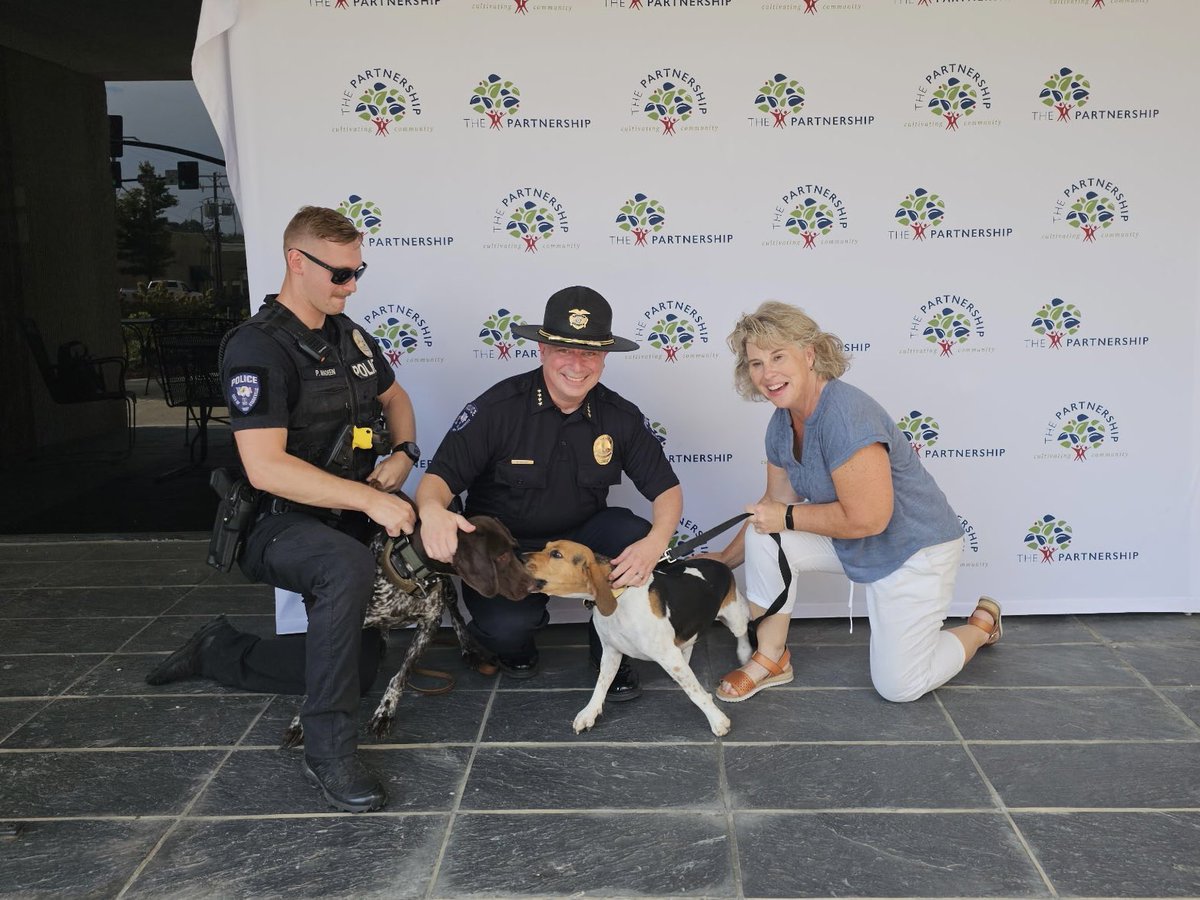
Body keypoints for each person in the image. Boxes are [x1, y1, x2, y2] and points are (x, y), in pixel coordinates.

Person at [145, 206, 418, 813]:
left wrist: (404, 453)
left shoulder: (351, 336)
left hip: (346, 514)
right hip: (275, 522)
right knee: (344, 568)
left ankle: (220, 652)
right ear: (298, 262)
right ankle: (328, 750)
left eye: (358, 272)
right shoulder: (256, 348)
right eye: (341, 275)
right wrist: (372, 500)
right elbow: (266, 467)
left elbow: (395, 397)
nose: (352, 286)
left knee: (362, 664)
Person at [708, 301, 1001, 704]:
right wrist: (723, 560)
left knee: (899, 687)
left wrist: (785, 516)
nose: (767, 373)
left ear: (809, 355)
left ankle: (980, 627)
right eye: (756, 363)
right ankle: (771, 658)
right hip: (856, 538)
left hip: (912, 549)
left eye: (778, 357)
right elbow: (773, 504)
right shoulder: (781, 423)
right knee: (765, 531)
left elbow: (869, 519)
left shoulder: (846, 415)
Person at [415, 285, 683, 698]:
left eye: (590, 353)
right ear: (541, 350)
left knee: (630, 533)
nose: (577, 365)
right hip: (508, 547)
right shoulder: (497, 409)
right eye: (565, 351)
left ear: (604, 359)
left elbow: (666, 490)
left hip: (580, 541)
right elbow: (438, 479)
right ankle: (516, 644)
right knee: (505, 628)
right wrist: (431, 510)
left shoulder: (619, 415)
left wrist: (657, 541)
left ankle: (614, 650)